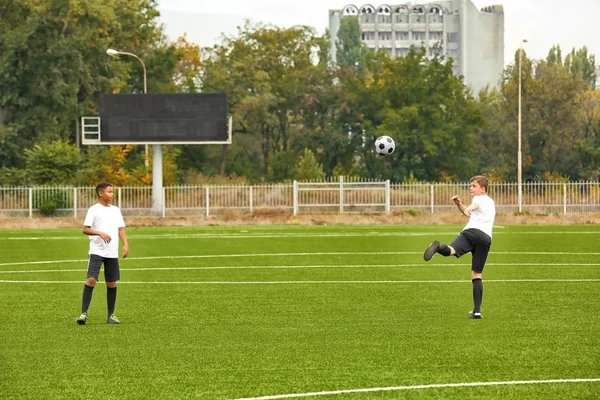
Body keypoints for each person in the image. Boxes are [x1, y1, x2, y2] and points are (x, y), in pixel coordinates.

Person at [423, 175, 495, 319]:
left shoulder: (479, 199)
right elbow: (469, 212)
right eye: (470, 186)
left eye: (474, 186)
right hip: (485, 238)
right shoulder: (491, 202)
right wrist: (459, 204)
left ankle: (437, 247)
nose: (471, 188)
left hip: (471, 232)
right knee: (477, 274)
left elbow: (473, 207)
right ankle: (477, 311)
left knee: (450, 251)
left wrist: (469, 207)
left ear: (483, 189)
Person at [76, 182, 128, 325]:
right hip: (97, 251)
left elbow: (121, 229)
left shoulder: (116, 210)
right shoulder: (94, 210)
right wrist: (99, 232)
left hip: (112, 252)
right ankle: (83, 313)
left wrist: (125, 244)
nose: (112, 194)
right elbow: (85, 229)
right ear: (101, 193)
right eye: (110, 191)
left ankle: (111, 315)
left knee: (111, 283)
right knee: (91, 279)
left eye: (112, 191)